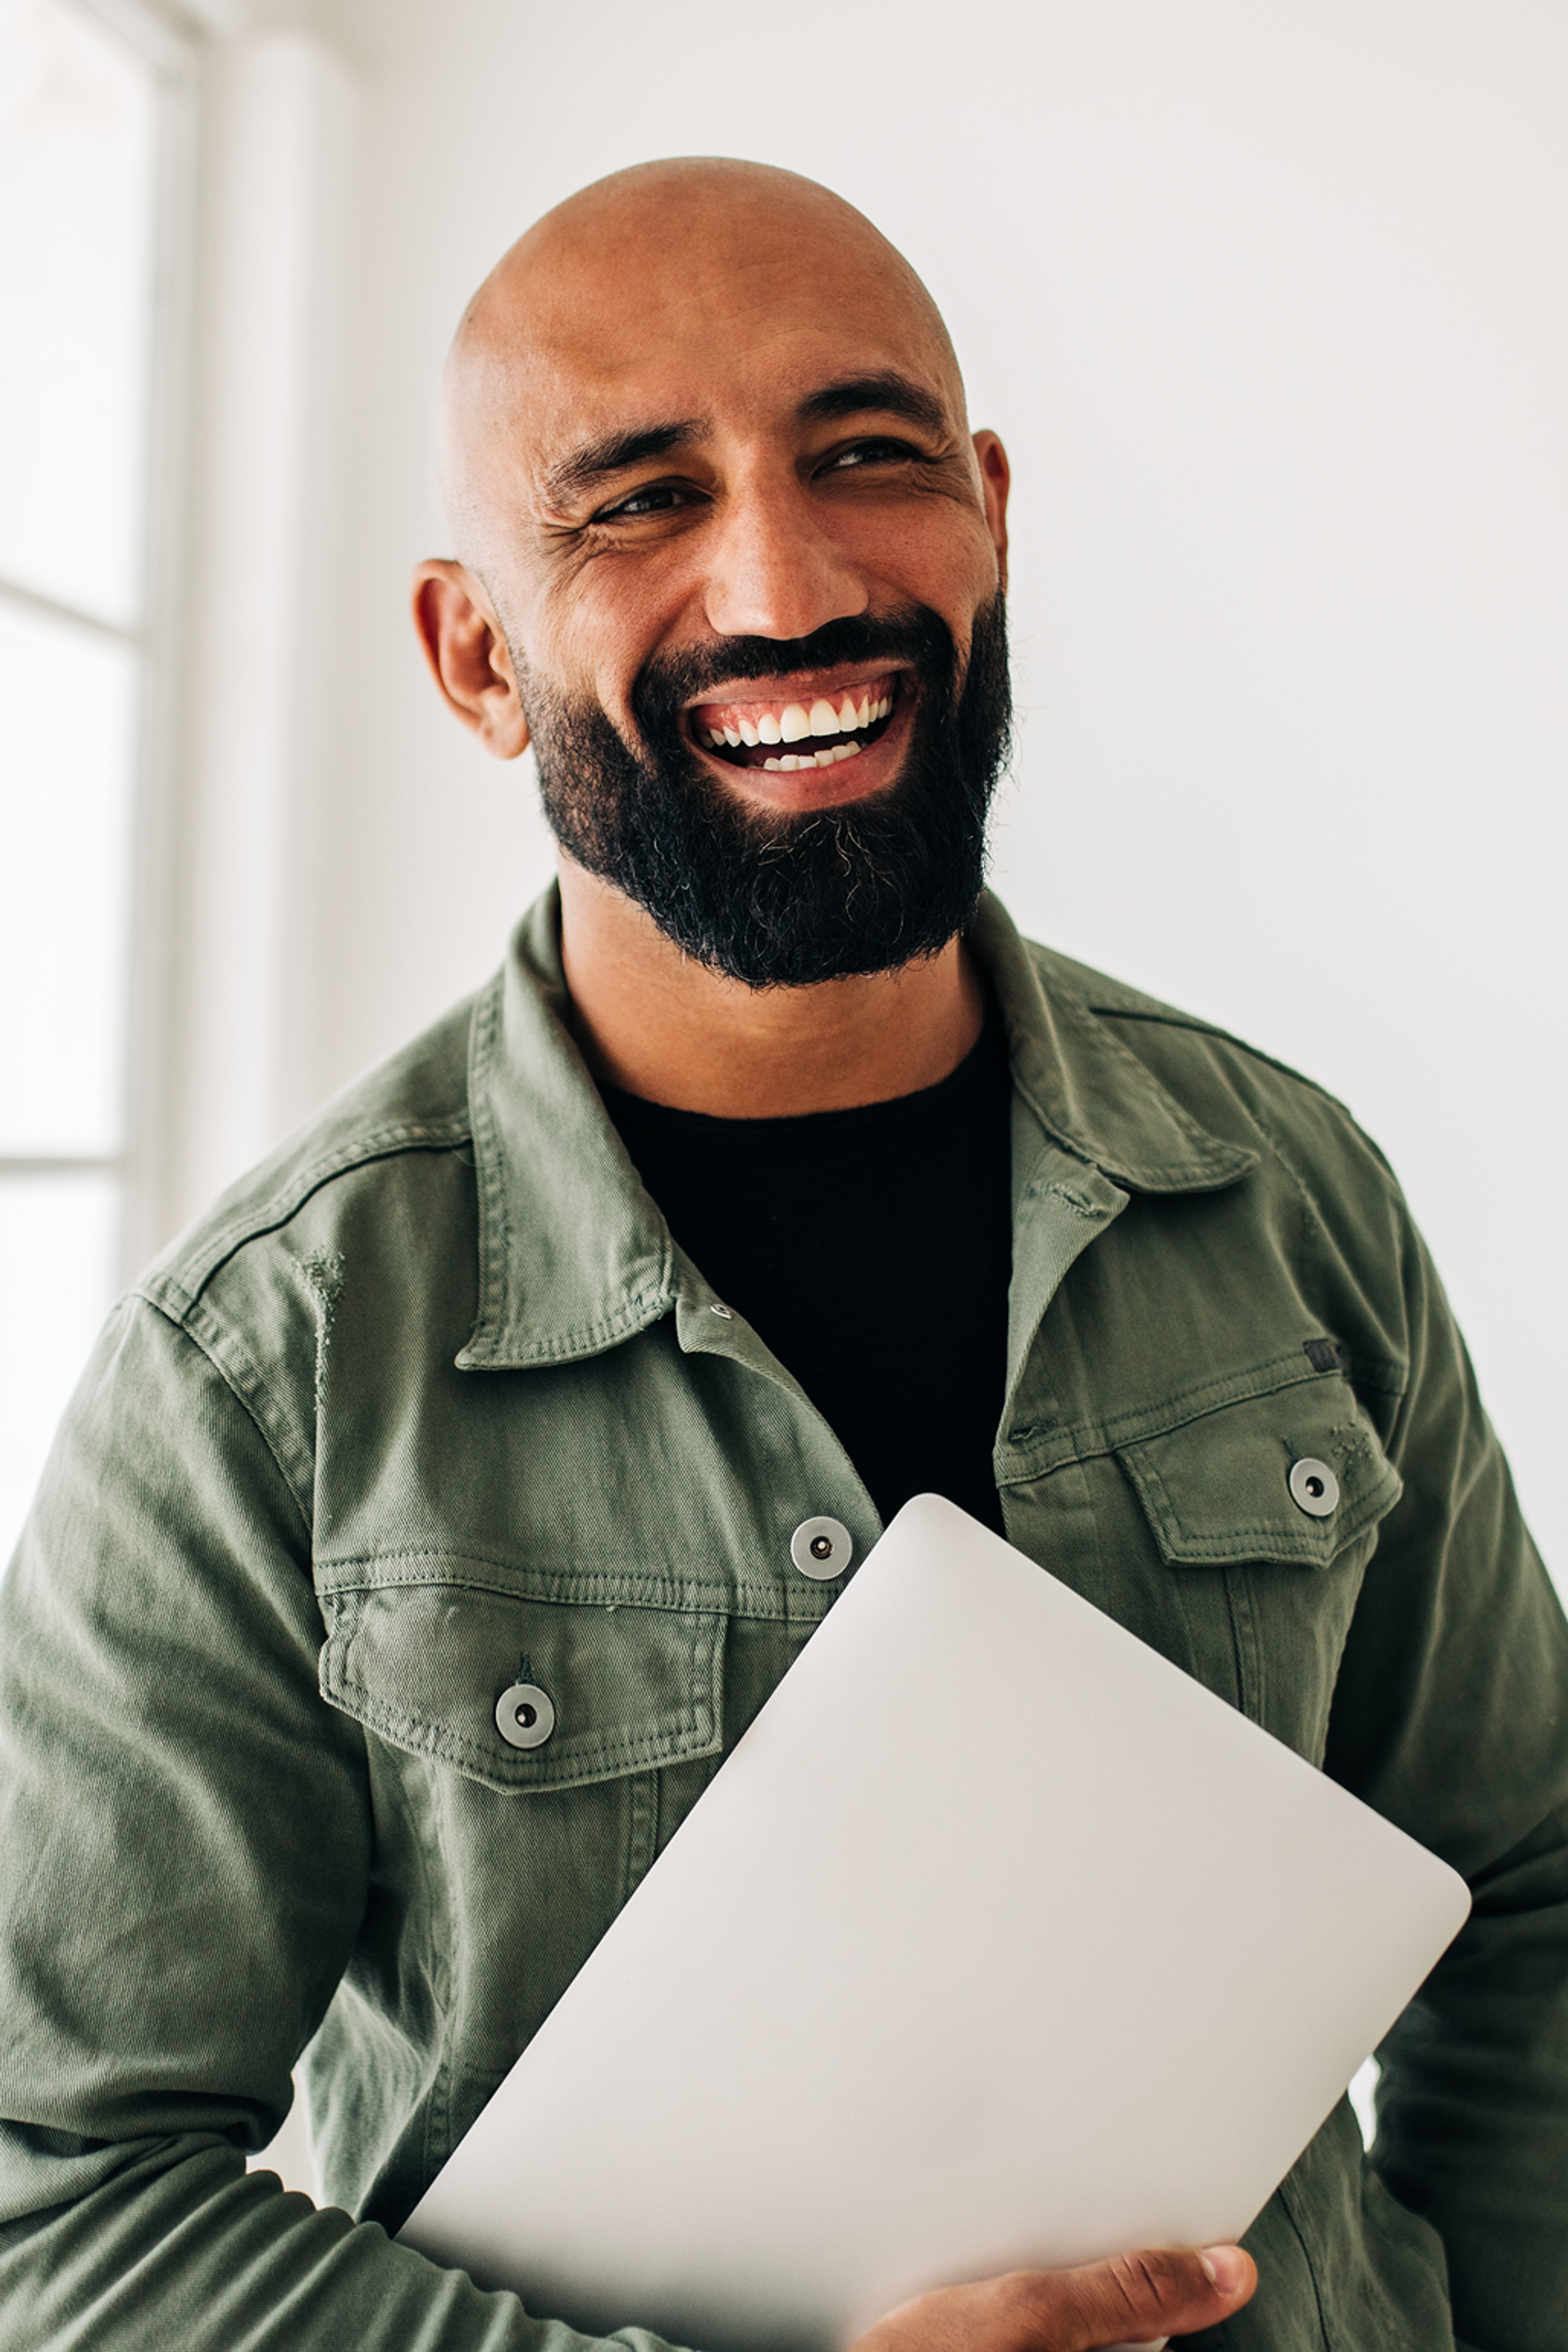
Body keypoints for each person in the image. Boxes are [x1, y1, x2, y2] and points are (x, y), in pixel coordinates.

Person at [0, 157, 1563, 2352]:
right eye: (637, 501)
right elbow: (53, 2205)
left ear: (991, 511)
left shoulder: (1293, 1198)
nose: (788, 575)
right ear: (474, 654)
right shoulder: (265, 1366)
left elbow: (1533, 1904)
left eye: (867, 455)